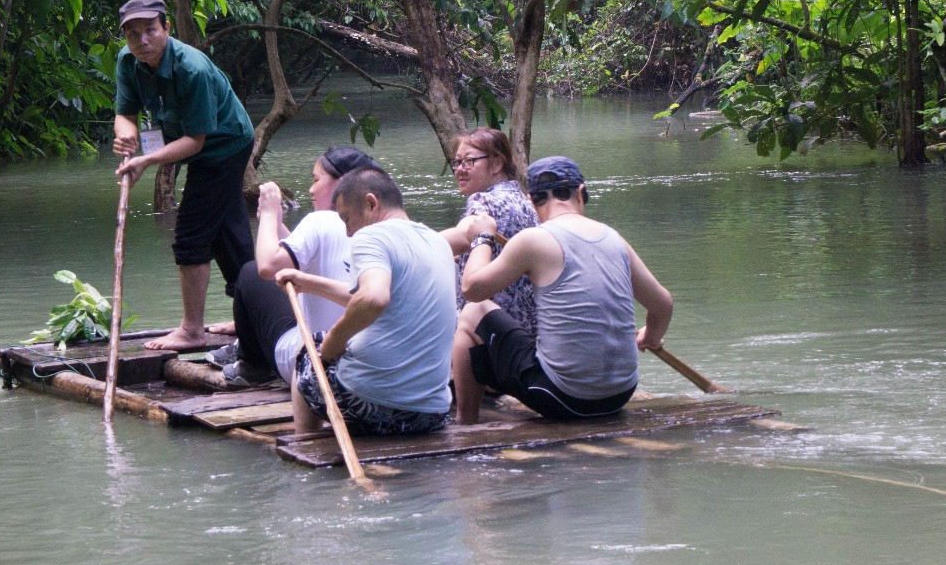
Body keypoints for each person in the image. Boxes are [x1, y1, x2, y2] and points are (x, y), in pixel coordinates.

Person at [451, 155, 673, 424]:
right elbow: (663, 305)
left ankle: (466, 423)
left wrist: (482, 237)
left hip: (564, 398)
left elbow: (472, 289)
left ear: (532, 202)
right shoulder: (614, 238)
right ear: (581, 193)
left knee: (473, 312)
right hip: (621, 393)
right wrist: (650, 336)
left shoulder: (534, 239)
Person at [109, 0, 255, 352]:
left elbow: (195, 141)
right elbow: (124, 111)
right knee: (228, 233)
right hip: (199, 146)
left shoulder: (193, 69)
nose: (142, 41)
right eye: (132, 34)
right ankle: (251, 316)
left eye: (150, 31)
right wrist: (125, 135)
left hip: (225, 145)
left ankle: (192, 331)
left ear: (167, 28)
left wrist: (146, 160)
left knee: (191, 236)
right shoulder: (128, 62)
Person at [275, 166, 454, 437]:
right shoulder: (436, 241)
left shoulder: (371, 236)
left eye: (346, 219)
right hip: (431, 413)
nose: (347, 233)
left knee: (309, 349)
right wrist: (308, 282)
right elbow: (366, 294)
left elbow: (373, 297)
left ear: (371, 204)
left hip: (376, 407)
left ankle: (305, 443)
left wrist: (333, 341)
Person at [212, 145, 380, 387]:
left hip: (315, 362)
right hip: (372, 358)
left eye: (316, 180)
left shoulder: (321, 220)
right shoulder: (388, 225)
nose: (311, 189)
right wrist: (278, 221)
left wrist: (269, 215)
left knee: (250, 273)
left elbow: (267, 266)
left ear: (343, 184)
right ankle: (243, 343)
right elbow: (304, 260)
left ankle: (253, 365)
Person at [437, 128, 538, 330]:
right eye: (456, 162)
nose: (459, 169)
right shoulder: (522, 198)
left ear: (497, 163)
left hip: (492, 329)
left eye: (469, 161)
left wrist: (404, 241)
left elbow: (464, 235)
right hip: (528, 324)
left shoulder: (483, 200)